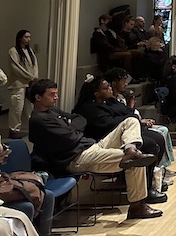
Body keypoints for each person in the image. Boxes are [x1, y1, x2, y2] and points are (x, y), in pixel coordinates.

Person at [27, 79, 162, 219]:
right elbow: (70, 139)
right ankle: (137, 207)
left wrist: (70, 127)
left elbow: (79, 118)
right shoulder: (39, 120)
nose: (56, 97)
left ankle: (130, 149)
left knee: (131, 121)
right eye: (52, 94)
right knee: (136, 161)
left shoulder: (52, 110)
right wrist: (72, 128)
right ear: (38, 97)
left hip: (90, 146)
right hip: (76, 158)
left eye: (56, 94)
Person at [72, 76, 168, 204]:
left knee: (157, 137)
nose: (110, 90)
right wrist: (133, 116)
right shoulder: (89, 108)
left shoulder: (109, 102)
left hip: (122, 134)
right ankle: (145, 189)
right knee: (149, 144)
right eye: (106, 88)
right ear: (96, 93)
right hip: (103, 139)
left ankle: (151, 180)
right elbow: (110, 124)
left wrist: (130, 113)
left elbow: (127, 112)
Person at [105, 68, 176, 182]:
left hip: (136, 126)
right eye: (123, 81)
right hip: (123, 133)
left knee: (162, 131)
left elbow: (130, 114)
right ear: (114, 83)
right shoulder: (109, 102)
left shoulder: (121, 98)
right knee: (158, 136)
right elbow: (124, 117)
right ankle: (153, 174)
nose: (126, 84)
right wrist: (134, 111)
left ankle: (161, 168)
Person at [7, 30, 39, 139]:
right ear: (20, 38)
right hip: (18, 84)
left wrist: (34, 76)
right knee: (17, 107)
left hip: (30, 83)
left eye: (29, 37)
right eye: (26, 37)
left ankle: (34, 128)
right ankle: (14, 130)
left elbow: (35, 65)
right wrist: (30, 76)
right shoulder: (13, 51)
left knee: (30, 106)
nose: (28, 39)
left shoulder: (29, 50)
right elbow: (16, 68)